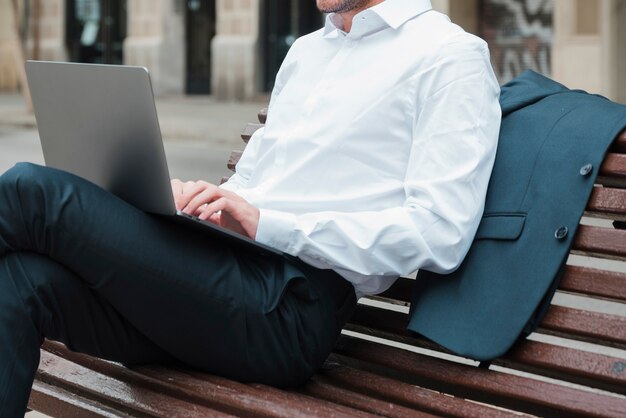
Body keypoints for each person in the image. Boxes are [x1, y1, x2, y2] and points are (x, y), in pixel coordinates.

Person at [0, 0, 500, 415]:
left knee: (32, 192)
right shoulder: (308, 51)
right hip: (218, 281)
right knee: (22, 281)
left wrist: (269, 224)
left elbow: (439, 231)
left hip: (288, 308)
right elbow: (255, 181)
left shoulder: (449, 56)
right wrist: (201, 202)